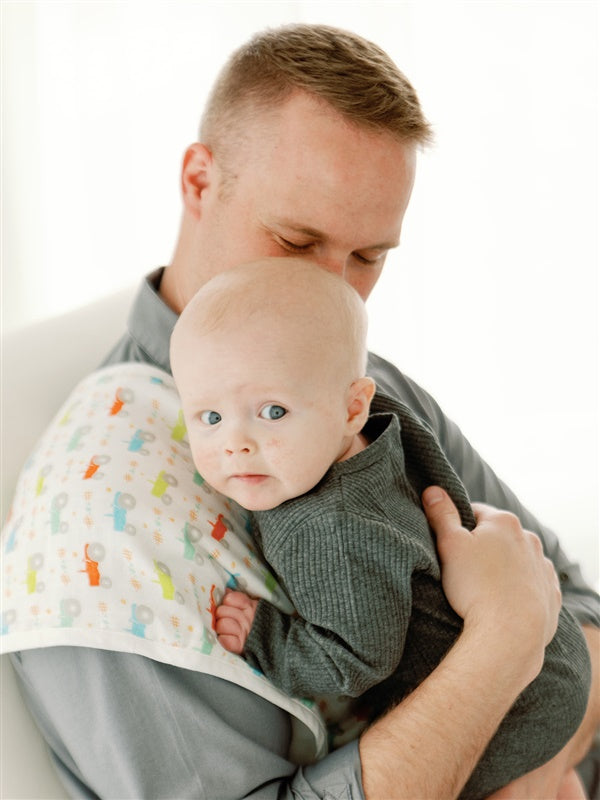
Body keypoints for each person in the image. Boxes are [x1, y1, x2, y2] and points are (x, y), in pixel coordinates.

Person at [3, 23, 598, 800]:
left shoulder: (357, 384)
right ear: (198, 182)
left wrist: (542, 751)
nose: (333, 292)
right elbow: (533, 616)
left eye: (367, 257)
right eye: (295, 239)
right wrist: (504, 647)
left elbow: (578, 604)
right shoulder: (99, 511)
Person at [170, 256, 591, 799]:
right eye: (209, 418)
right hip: (552, 649)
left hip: (521, 699)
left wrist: (266, 637)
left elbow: (358, 661)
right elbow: (440, 474)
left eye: (272, 412)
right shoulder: (380, 423)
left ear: (351, 406)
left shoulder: (328, 528)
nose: (236, 443)